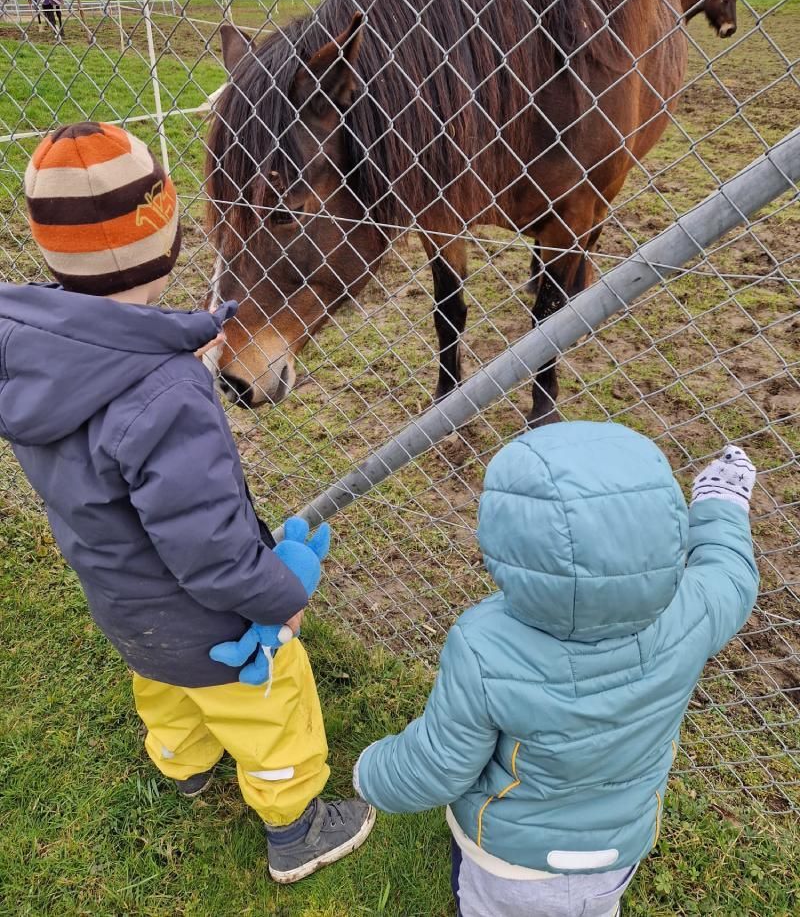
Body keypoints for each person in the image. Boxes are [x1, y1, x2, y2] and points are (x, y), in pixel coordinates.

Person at [0, 121, 374, 884]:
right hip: (210, 624)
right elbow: (210, 547)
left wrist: (175, 355)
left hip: (122, 604)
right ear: (167, 238)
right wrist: (283, 591)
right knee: (272, 704)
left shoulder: (33, 355)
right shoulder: (167, 396)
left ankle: (184, 764)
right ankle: (296, 824)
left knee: (163, 687)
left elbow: (111, 400)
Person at [353, 421, 758, 917]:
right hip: (616, 852)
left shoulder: (484, 645)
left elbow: (439, 764)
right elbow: (730, 573)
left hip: (506, 861)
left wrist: (371, 772)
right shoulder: (691, 612)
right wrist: (720, 502)